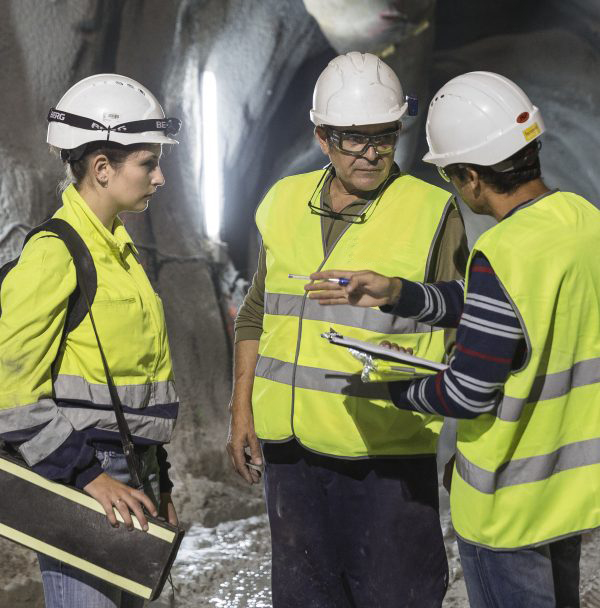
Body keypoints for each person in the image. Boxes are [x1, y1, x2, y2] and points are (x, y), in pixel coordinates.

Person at [307, 70, 600, 608]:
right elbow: (515, 314)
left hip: (507, 505)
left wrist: (393, 387)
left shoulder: (503, 251)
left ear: (470, 175)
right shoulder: (584, 221)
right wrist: (399, 293)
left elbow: (468, 393)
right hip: (573, 493)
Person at [228, 51, 469, 608]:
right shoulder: (282, 202)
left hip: (386, 457)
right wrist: (242, 407)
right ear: (321, 137)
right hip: (291, 459)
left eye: (384, 136)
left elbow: (463, 319)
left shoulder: (433, 212)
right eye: (352, 139)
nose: (371, 153)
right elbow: (255, 313)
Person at [0, 74, 181, 608]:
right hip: (80, 469)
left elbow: (135, 388)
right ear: (102, 169)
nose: (160, 177)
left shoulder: (121, 255)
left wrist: (159, 479)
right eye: (148, 163)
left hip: (130, 469)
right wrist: (87, 477)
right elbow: (10, 395)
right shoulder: (56, 253)